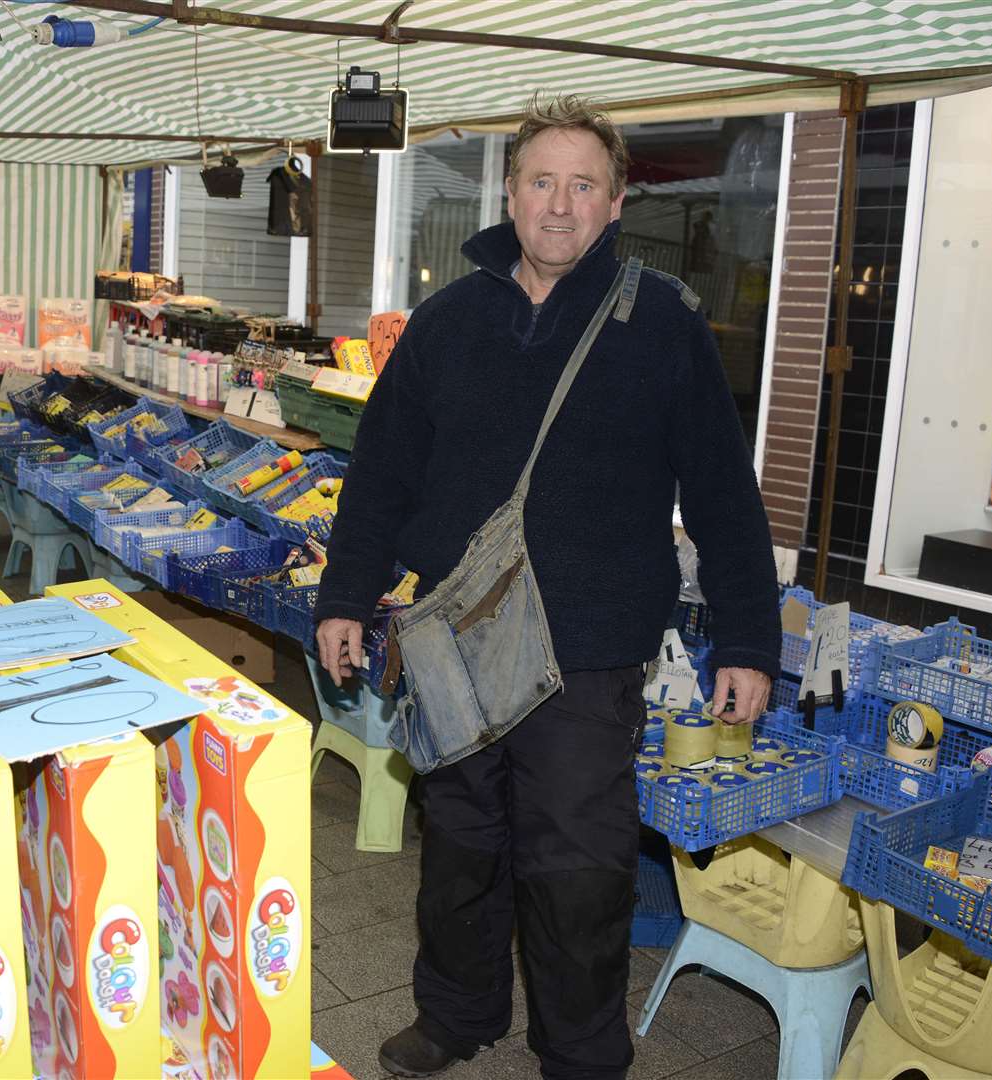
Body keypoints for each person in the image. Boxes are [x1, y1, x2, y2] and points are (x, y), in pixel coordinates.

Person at [313, 94, 782, 1079]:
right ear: (510, 192)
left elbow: (725, 495)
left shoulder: (662, 326)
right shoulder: (446, 323)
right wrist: (346, 595)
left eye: (583, 185)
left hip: (588, 653)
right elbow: (384, 476)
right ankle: (455, 1015)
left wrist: (747, 637)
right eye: (541, 180)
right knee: (460, 846)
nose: (560, 205)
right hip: (452, 640)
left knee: (577, 868)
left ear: (616, 205)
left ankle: (581, 1054)